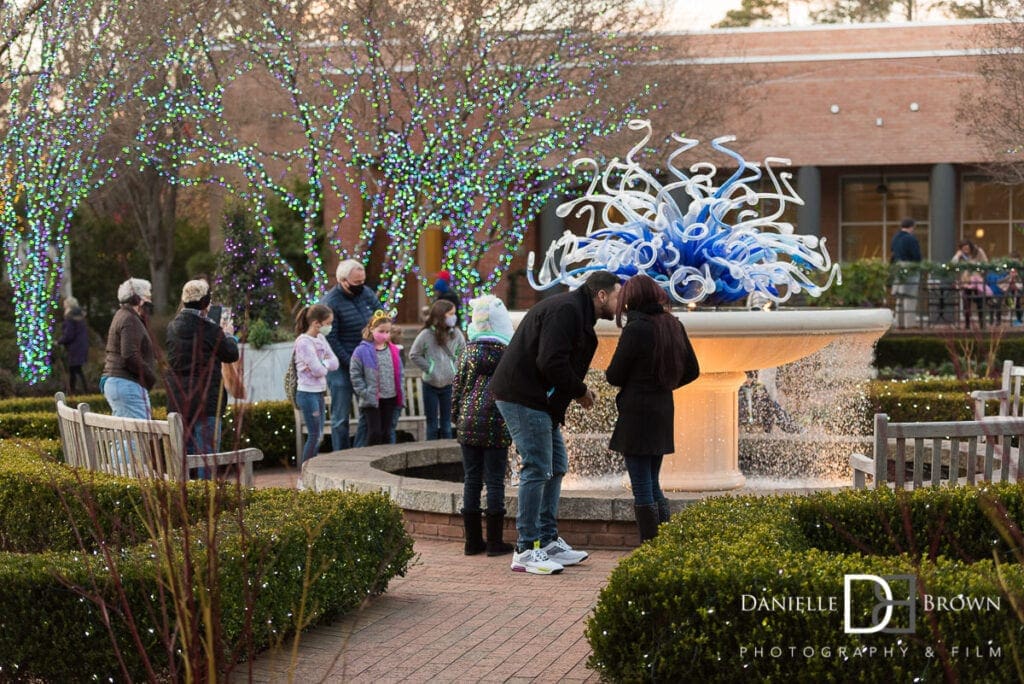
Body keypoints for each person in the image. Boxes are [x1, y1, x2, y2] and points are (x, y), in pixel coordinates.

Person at [491, 270, 621, 575]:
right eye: (618, 295)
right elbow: (551, 361)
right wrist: (580, 391)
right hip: (522, 396)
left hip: (537, 401)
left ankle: (547, 542)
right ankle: (525, 549)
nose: (622, 303)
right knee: (537, 467)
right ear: (601, 295)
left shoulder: (576, 312)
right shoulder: (567, 311)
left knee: (557, 465)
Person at [605, 275, 700, 543]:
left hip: (636, 412)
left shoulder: (636, 328)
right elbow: (692, 371)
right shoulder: (673, 325)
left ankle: (651, 545)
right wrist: (665, 384)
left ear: (631, 299)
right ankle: (664, 542)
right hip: (662, 409)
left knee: (642, 485)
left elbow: (614, 375)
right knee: (652, 481)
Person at [452, 294, 516, 556]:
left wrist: (455, 416)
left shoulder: (468, 351)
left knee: (472, 480)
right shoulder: (508, 354)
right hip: (497, 423)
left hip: (468, 422)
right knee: (495, 482)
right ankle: (494, 542)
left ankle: (472, 542)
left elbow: (457, 387)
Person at [164, 280, 241, 476]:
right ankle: (206, 502)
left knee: (186, 452)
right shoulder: (210, 329)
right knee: (207, 454)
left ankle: (188, 499)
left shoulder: (172, 327)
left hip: (179, 399)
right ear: (206, 302)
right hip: (207, 400)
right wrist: (229, 336)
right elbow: (230, 354)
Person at [322, 259, 381, 449]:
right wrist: (351, 363)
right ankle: (341, 456)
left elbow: (380, 315)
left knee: (369, 408)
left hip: (366, 359)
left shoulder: (366, 293)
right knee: (340, 417)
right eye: (356, 283)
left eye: (362, 281)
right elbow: (332, 341)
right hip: (341, 364)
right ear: (342, 280)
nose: (361, 286)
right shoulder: (330, 303)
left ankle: (359, 450)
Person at [292, 304, 339, 474]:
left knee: (318, 435)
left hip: (319, 392)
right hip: (307, 393)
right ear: (316, 323)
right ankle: (305, 473)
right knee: (314, 435)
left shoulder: (321, 338)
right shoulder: (303, 342)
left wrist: (322, 364)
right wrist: (322, 365)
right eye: (328, 323)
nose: (330, 327)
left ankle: (311, 473)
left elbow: (334, 362)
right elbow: (318, 370)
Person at [409, 300, 466, 440]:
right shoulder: (426, 334)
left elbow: (463, 352)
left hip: (449, 384)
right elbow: (414, 354)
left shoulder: (456, 333)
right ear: (441, 315)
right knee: (432, 424)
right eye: (450, 314)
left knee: (447, 424)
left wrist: (455, 368)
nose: (454, 317)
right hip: (430, 385)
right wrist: (430, 368)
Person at [101, 278, 157, 419]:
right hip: (126, 383)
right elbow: (130, 356)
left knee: (127, 436)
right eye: (148, 297)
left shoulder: (122, 315)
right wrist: (150, 377)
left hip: (119, 382)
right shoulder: (130, 319)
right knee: (136, 437)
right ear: (140, 300)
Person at [350, 311, 404, 446]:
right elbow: (355, 374)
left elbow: (400, 373)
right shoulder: (361, 351)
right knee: (374, 432)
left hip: (390, 397)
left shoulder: (393, 350)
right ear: (371, 329)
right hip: (372, 399)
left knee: (387, 432)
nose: (385, 335)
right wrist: (365, 392)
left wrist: (400, 392)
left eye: (388, 331)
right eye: (381, 331)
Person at [890, 218, 922, 328]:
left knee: (899, 298)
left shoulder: (895, 238)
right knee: (910, 297)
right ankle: (910, 324)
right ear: (912, 226)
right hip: (910, 268)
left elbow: (892, 253)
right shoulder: (911, 239)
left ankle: (898, 323)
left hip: (898, 268)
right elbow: (917, 256)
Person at [952, 239, 990, 329]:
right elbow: (952, 265)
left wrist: (980, 271)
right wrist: (957, 256)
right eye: (963, 249)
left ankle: (982, 324)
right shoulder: (961, 255)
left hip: (977, 281)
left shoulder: (978, 252)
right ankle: (967, 324)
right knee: (966, 304)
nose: (966, 251)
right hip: (965, 282)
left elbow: (986, 263)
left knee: (980, 303)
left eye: (967, 248)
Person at [59, 296, 90, 394]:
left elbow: (69, 334)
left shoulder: (69, 317)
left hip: (74, 347)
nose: (63, 306)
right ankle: (80, 391)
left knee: (74, 369)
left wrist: (59, 341)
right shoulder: (80, 316)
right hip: (82, 346)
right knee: (76, 369)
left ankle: (75, 391)